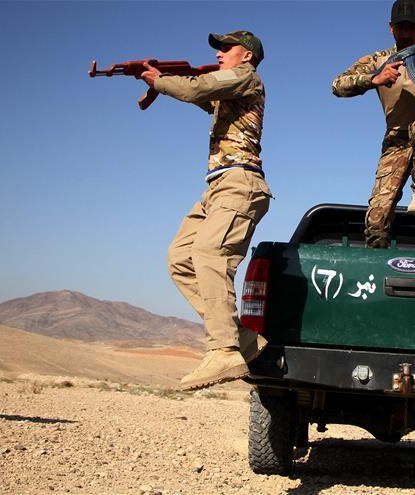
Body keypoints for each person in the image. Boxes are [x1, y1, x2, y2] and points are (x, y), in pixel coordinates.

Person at [140, 31, 272, 390]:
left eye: (227, 49)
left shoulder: (246, 77)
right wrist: (161, 82)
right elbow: (200, 95)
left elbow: (197, 89)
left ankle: (224, 349)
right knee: (180, 258)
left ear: (247, 56)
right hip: (216, 187)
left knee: (209, 253)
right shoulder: (229, 89)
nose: (219, 54)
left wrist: (161, 80)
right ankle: (242, 339)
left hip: (239, 183)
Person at [332, 0, 415, 248]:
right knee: (376, 219)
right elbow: (338, 85)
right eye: (400, 27)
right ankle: (377, 265)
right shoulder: (379, 59)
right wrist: (374, 78)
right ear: (391, 28)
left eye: (411, 27)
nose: (406, 33)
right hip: (395, 142)